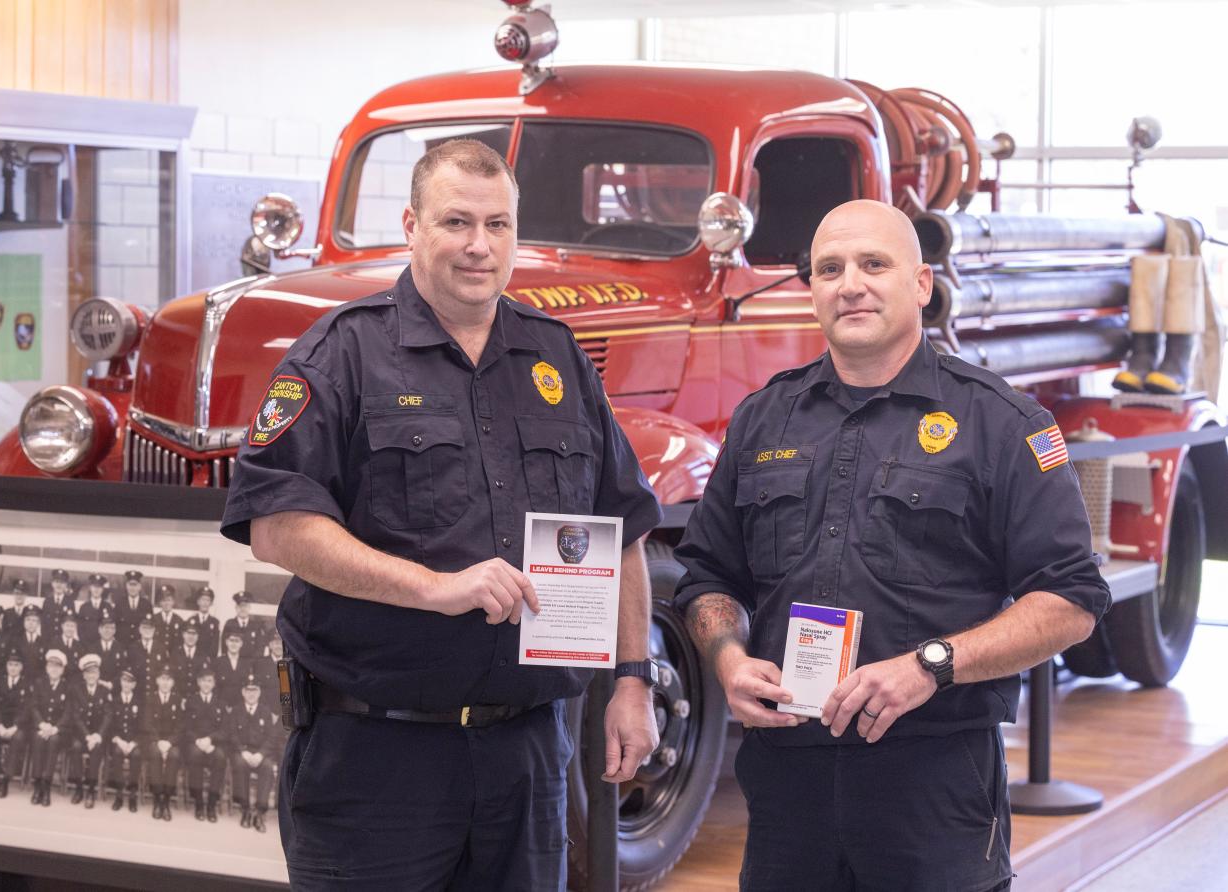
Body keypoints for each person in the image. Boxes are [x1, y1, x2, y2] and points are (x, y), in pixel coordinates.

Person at [220, 138, 662, 889]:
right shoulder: (341, 355)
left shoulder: (558, 358)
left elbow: (619, 530)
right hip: (376, 762)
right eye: (457, 222)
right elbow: (278, 525)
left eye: (499, 225)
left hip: (527, 759)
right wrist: (433, 586)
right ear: (413, 225)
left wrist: (632, 681)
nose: (479, 246)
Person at [674, 199, 1111, 891]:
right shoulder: (763, 419)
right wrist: (727, 659)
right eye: (829, 268)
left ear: (921, 285)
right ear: (811, 289)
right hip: (789, 782)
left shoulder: (1001, 423)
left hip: (933, 784)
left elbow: (1072, 598)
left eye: (874, 264)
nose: (851, 283)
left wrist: (929, 664)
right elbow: (706, 575)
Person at [225, 673, 283, 833]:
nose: (251, 694)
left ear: (259, 692)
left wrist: (261, 754)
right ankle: (245, 809)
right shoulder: (236, 711)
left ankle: (259, 811)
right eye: (248, 690)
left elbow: (272, 737)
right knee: (239, 764)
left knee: (268, 767)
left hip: (260, 753)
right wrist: (243, 752)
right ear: (243, 692)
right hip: (241, 751)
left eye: (254, 690)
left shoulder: (265, 711)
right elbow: (232, 734)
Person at [183, 667, 229, 822]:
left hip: (213, 744)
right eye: (203, 681)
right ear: (198, 683)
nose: (206, 684)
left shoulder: (221, 703)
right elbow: (186, 727)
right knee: (194, 755)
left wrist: (210, 740)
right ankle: (198, 803)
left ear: (214, 683)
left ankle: (211, 804)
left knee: (221, 758)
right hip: (195, 743)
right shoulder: (191, 701)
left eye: (209, 681)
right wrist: (198, 741)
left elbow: (224, 730)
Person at [28, 649, 72, 807]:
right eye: (51, 665)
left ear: (62, 669)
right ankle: (37, 784)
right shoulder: (40, 683)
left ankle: (46, 785)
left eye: (58, 667)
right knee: (39, 740)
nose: (54, 669)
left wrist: (55, 728)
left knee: (53, 742)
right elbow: (33, 707)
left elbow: (68, 712)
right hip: (40, 727)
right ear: (47, 667)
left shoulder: (67, 687)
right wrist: (42, 724)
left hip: (58, 731)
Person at [67, 653, 111, 808]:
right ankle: (79, 788)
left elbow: (107, 716)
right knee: (76, 747)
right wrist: (87, 736)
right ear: (83, 675)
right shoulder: (76, 690)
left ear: (99, 674)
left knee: (97, 750)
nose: (91, 676)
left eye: (94, 672)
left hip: (98, 735)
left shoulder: (105, 691)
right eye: (88, 673)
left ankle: (91, 789)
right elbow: (75, 716)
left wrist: (98, 735)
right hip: (81, 734)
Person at [0, 649, 27, 798]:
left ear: (21, 667)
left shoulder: (27, 684)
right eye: (10, 664)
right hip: (1, 724)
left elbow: (27, 709)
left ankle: (6, 780)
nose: (13, 668)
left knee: (18, 739)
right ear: (6, 666)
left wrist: (15, 727)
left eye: (16, 665)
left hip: (18, 726)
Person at [143, 665, 182, 820]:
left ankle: (166, 800)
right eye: (163, 679)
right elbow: (147, 723)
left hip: (172, 742)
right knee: (154, 753)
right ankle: (157, 798)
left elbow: (181, 725)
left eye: (169, 680)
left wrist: (170, 742)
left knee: (174, 755)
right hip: (154, 740)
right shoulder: (150, 698)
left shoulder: (177, 699)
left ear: (173, 683)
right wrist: (158, 741)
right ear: (157, 681)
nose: (165, 683)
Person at [106, 667, 144, 812]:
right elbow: (110, 725)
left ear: (134, 685)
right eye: (124, 681)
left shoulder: (140, 702)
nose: (126, 684)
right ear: (120, 682)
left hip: (134, 742)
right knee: (116, 753)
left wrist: (134, 743)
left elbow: (142, 727)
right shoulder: (114, 700)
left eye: (130, 682)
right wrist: (119, 740)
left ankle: (133, 794)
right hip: (119, 741)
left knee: (136, 755)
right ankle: (119, 793)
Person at [220, 591, 264, 658]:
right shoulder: (229, 624)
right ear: (236, 608)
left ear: (249, 608)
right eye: (240, 606)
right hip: (234, 663)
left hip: (251, 664)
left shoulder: (256, 626)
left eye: (245, 606)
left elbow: (260, 648)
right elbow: (224, 646)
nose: (243, 609)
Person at [115, 570, 152, 644]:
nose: (132, 588)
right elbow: (115, 625)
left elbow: (150, 627)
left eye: (135, 585)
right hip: (123, 645)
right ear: (126, 586)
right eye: (130, 585)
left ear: (140, 586)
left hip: (139, 646)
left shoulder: (146, 605)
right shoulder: (119, 603)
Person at [188, 586, 220, 657]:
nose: (205, 603)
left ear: (211, 603)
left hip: (208, 660)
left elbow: (215, 646)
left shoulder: (215, 622)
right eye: (202, 600)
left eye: (208, 600)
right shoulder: (191, 620)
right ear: (198, 602)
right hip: (193, 658)